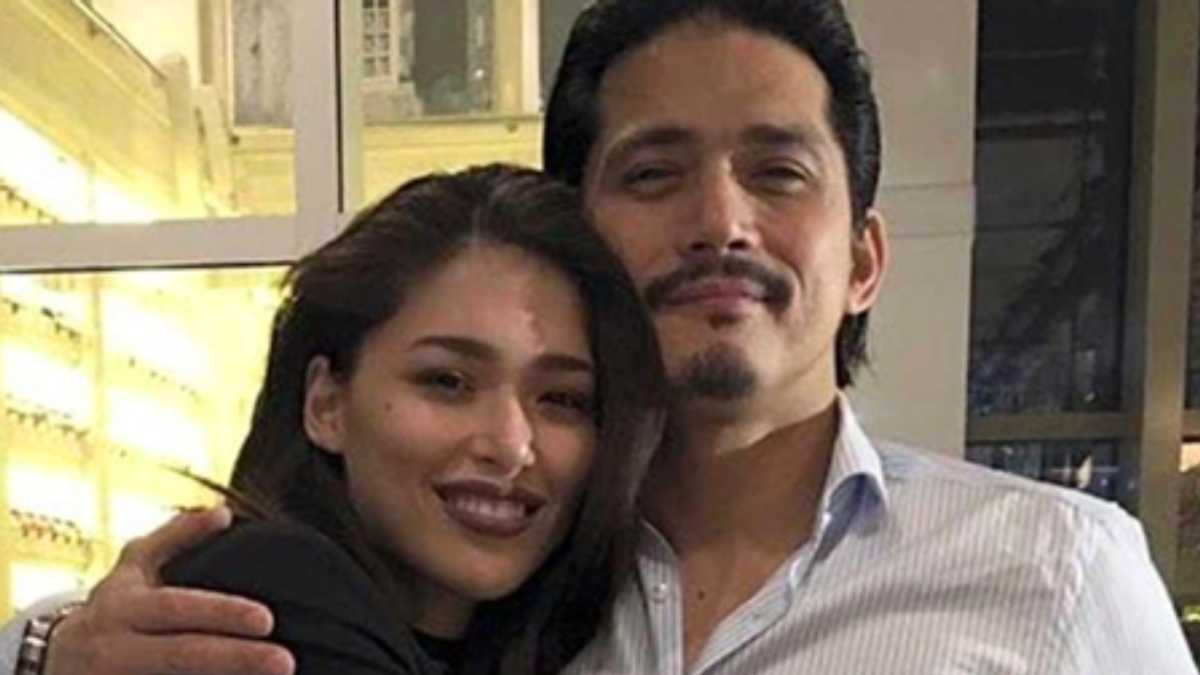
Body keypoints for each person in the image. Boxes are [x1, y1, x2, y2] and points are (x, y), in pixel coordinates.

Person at [4, 0, 1197, 673]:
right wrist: (49, 646)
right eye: (654, 171)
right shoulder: (499, 575)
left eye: (778, 171)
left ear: (865, 259)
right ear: (582, 230)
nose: (720, 221)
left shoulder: (1056, 574)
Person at [3, 163, 668, 675]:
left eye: (562, 400)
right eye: (446, 382)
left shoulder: (515, 638)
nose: (511, 444)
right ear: (326, 403)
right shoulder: (271, 595)